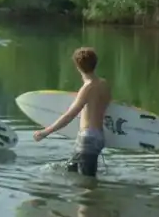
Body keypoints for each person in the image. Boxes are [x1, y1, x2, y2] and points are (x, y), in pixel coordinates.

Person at [32, 47, 111, 177]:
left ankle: (92, 196)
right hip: (99, 137)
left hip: (87, 139)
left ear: (77, 67)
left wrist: (45, 132)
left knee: (87, 183)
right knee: (71, 170)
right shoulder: (104, 84)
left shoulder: (87, 88)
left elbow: (69, 116)